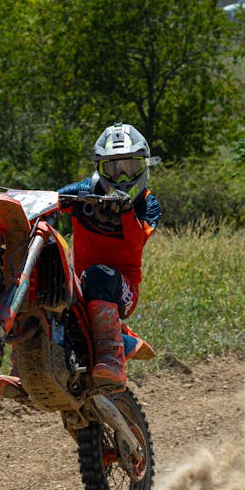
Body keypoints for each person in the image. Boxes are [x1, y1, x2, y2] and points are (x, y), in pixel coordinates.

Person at [57, 123, 161, 390]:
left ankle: (111, 358)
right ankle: (23, 368)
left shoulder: (147, 203)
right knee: (48, 276)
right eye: (113, 168)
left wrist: (125, 211)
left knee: (98, 274)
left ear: (144, 165)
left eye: (130, 166)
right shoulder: (85, 190)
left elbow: (136, 241)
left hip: (122, 290)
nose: (122, 176)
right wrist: (20, 204)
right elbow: (51, 200)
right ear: (99, 168)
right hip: (79, 284)